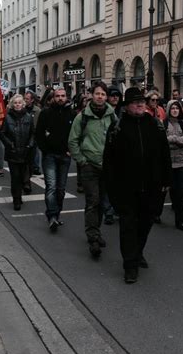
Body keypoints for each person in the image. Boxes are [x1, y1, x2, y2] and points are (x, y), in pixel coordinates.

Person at [103, 87, 171, 283]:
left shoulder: (155, 125)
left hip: (151, 187)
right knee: (128, 226)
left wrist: (166, 181)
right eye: (135, 102)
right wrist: (111, 188)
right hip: (126, 188)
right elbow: (109, 161)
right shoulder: (117, 128)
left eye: (142, 101)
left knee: (145, 223)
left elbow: (165, 155)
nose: (141, 104)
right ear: (127, 107)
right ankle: (130, 265)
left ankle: (138, 251)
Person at [68, 81, 117, 258]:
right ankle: (93, 238)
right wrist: (81, 160)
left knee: (103, 202)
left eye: (103, 94)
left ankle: (97, 231)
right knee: (93, 201)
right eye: (97, 94)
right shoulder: (83, 117)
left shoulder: (112, 116)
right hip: (89, 165)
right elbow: (73, 141)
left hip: (107, 166)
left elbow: (118, 139)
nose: (100, 97)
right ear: (92, 95)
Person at [36, 88, 75, 231]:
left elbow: (74, 135)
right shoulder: (46, 113)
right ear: (53, 98)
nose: (60, 98)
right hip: (50, 156)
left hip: (65, 156)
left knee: (61, 189)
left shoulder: (71, 113)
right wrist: (45, 150)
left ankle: (56, 215)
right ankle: (52, 216)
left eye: (62, 96)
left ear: (66, 97)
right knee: (51, 187)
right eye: (57, 96)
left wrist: (71, 150)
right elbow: (39, 134)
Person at [0, 94, 35, 211]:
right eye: (15, 103)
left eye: (20, 102)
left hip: (25, 152)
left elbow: (32, 133)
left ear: (23, 104)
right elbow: (2, 133)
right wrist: (9, 144)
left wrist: (30, 144)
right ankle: (16, 199)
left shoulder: (28, 117)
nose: (18, 104)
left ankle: (19, 195)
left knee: (23, 176)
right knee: (15, 177)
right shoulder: (8, 118)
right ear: (12, 104)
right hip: (13, 153)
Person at [164, 100, 183, 231]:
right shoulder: (163, 123)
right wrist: (177, 140)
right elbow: (163, 140)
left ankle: (181, 221)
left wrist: (173, 139)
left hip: (182, 162)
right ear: (169, 110)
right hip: (168, 162)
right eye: (172, 108)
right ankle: (156, 213)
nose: (175, 110)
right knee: (167, 190)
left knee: (181, 193)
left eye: (177, 108)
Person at [23, 90, 42, 191]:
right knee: (24, 162)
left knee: (30, 162)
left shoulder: (37, 111)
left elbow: (40, 125)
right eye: (25, 98)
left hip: (33, 139)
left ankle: (29, 175)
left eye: (27, 99)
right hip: (22, 139)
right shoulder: (22, 109)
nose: (25, 100)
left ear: (32, 100)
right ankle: (26, 182)